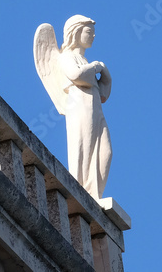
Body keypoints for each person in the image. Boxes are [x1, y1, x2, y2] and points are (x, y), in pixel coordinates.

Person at [58, 15, 112, 198]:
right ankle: (80, 190)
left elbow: (103, 94)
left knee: (106, 151)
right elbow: (77, 75)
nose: (93, 36)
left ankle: (94, 193)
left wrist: (105, 74)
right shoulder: (66, 56)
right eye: (89, 31)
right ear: (76, 32)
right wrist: (96, 67)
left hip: (95, 105)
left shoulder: (86, 61)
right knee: (83, 146)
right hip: (79, 103)